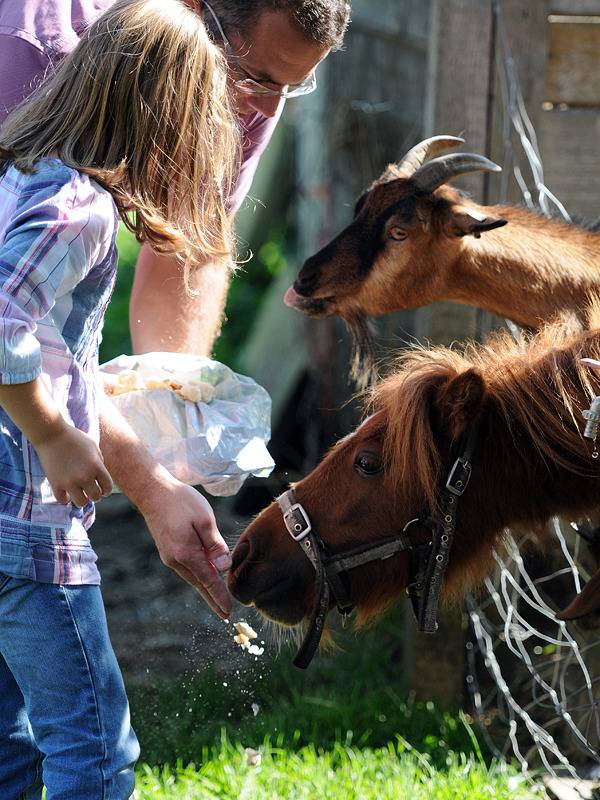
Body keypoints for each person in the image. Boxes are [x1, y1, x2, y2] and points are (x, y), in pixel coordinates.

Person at [0, 0, 352, 616]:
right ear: (196, 17)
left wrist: (170, 449)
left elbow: (184, 243)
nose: (266, 110)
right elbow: (19, 330)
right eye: (259, 81)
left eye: (294, 87)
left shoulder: (245, 75)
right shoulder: (26, 50)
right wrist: (137, 477)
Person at [0, 0, 239, 795]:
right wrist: (54, 435)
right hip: (28, 528)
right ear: (163, 124)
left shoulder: (19, 178)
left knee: (9, 744)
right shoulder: (80, 211)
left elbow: (49, 346)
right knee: (96, 753)